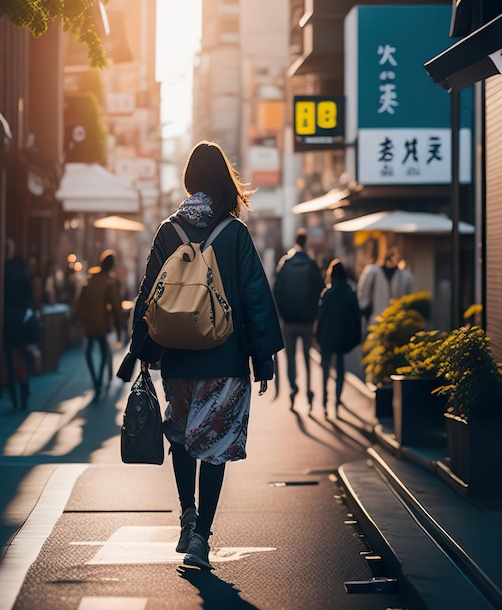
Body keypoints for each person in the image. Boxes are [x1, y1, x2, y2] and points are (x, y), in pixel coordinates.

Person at [117, 140, 284, 570]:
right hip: (224, 360)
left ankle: (186, 515)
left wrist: (143, 350)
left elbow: (149, 294)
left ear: (190, 180)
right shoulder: (235, 234)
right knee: (215, 444)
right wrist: (262, 358)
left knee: (182, 437)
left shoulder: (169, 231)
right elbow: (255, 298)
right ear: (224, 180)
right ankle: (202, 541)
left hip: (178, 359)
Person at [273, 228, 324, 409]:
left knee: (291, 357)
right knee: (307, 357)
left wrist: (282, 313)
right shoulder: (311, 264)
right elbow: (320, 290)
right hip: (308, 320)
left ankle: (293, 388)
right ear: (306, 242)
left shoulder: (285, 264)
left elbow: (277, 291)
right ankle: (310, 391)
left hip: (289, 320)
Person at [316, 259, 362, 418]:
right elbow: (357, 316)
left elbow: (320, 318)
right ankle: (337, 399)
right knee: (340, 369)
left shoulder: (327, 294)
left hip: (327, 336)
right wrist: (357, 335)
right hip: (343, 336)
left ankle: (324, 399)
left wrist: (318, 336)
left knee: (326, 368)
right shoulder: (350, 293)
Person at [75, 250, 125, 395]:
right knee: (103, 351)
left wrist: (79, 320)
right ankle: (99, 380)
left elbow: (80, 301)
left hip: (89, 322)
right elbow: (115, 307)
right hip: (102, 322)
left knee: (89, 351)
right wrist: (119, 328)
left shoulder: (90, 279)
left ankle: (96, 380)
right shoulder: (109, 282)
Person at [3, 238, 39, 409]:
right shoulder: (22, 270)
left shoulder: (1, 270)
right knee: (20, 359)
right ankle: (23, 387)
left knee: (10, 357)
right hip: (22, 317)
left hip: (6, 317)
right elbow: (30, 296)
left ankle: (13, 392)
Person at [357, 244, 414, 327]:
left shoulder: (404, 275)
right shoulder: (373, 272)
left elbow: (409, 297)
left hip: (397, 322)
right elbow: (364, 296)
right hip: (376, 320)